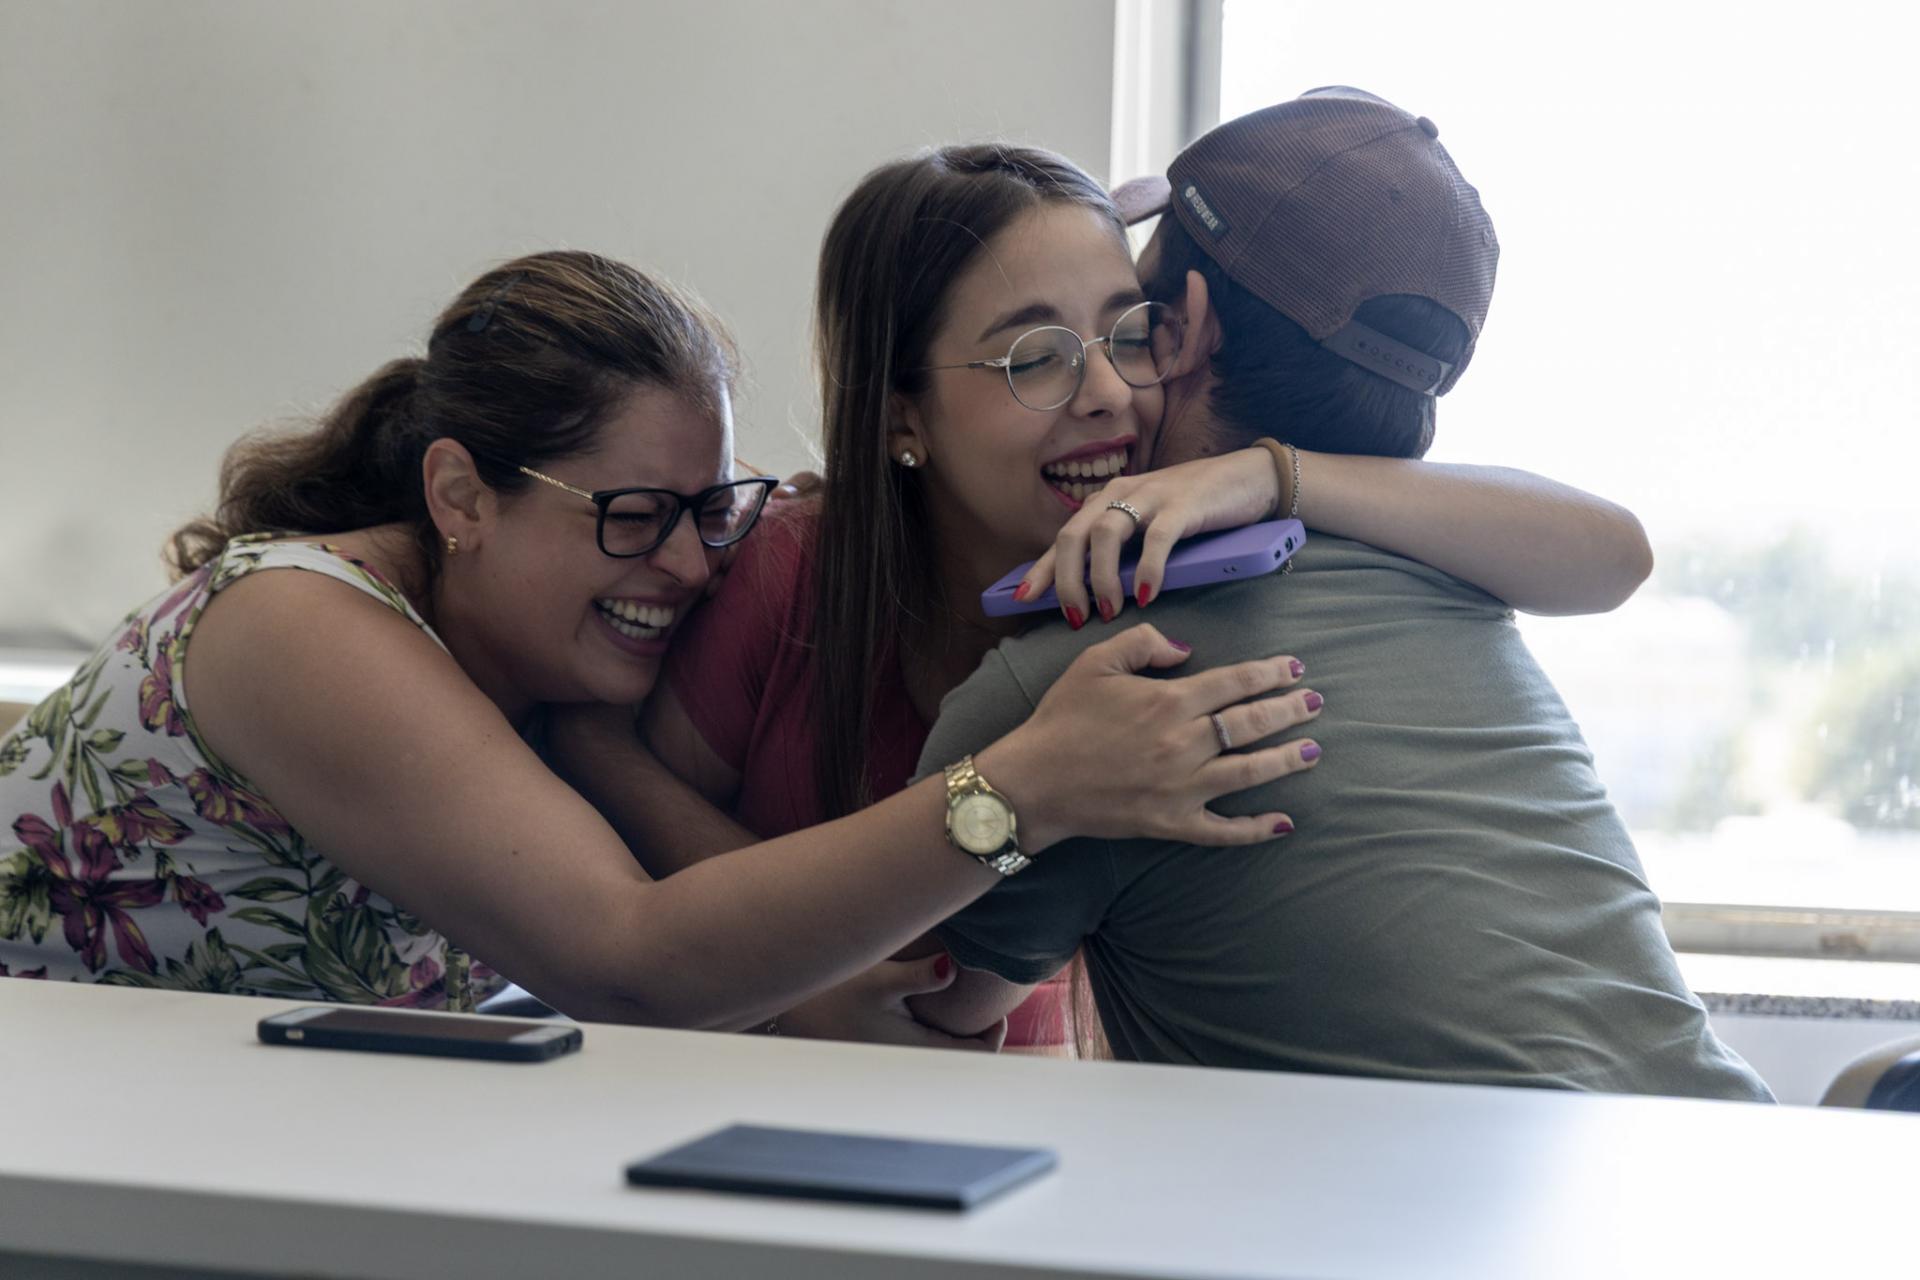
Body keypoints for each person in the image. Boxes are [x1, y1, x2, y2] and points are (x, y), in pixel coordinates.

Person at [0, 249, 1320, 1032]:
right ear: (461, 498)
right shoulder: (296, 625)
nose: (692, 564)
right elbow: (630, 958)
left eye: (714, 507)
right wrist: (1026, 790)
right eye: (637, 516)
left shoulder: (531, 657)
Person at [548, 139, 1663, 1051]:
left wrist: (1264, 469)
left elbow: (1613, 549)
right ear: (900, 415)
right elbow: (645, 839)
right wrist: (796, 984)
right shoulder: (800, 567)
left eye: (1132, 337)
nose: (1106, 396)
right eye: (1034, 357)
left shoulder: (1164, 597)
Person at [898, 89, 1772, 1099]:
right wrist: (1281, 472)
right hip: (1727, 1157)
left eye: (1130, 322)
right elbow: (1619, 552)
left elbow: (927, 1011)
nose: (1102, 383)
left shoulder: (1083, 687)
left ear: (1185, 330)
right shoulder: (1460, 578)